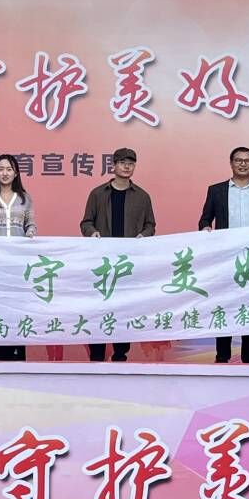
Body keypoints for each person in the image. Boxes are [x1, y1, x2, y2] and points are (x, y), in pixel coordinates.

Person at [199, 146, 249, 364]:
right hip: (226, 258)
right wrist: (205, 227)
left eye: (247, 160)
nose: (243, 164)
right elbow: (205, 219)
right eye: (238, 160)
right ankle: (222, 355)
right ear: (231, 163)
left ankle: (248, 355)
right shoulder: (216, 190)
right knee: (224, 305)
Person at [79, 147, 156, 363]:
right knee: (99, 309)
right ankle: (97, 354)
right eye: (122, 163)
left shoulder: (142, 196)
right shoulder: (98, 194)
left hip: (128, 265)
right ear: (113, 165)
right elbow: (86, 222)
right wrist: (92, 232)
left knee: (125, 310)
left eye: (130, 163)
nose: (126, 167)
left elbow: (151, 225)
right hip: (102, 264)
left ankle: (121, 354)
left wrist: (143, 235)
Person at [0, 154, 36, 362]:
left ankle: (17, 353)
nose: (5, 173)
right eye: (1, 169)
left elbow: (31, 225)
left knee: (17, 308)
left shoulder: (25, 198)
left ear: (16, 173)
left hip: (18, 264)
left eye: (9, 169)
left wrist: (30, 235)